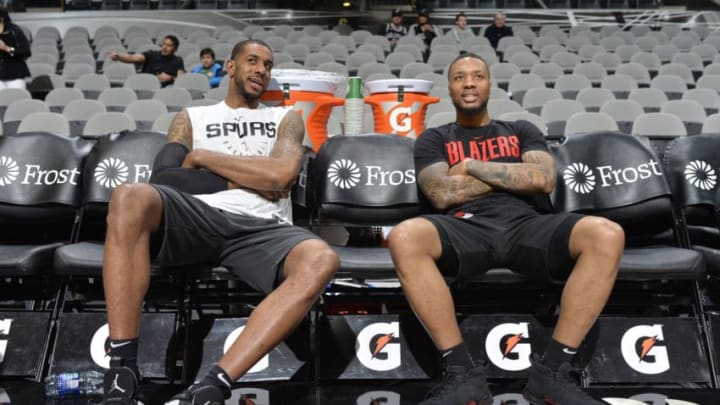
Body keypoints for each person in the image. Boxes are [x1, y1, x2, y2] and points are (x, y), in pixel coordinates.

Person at [100, 39, 339, 405]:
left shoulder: (285, 119)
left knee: (322, 259)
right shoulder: (191, 118)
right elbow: (165, 178)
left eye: (268, 65)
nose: (261, 70)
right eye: (253, 61)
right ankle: (121, 373)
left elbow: (280, 176)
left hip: (263, 228)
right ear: (230, 66)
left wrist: (201, 157)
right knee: (130, 196)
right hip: (199, 217)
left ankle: (213, 386)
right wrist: (240, 178)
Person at [387, 53, 623, 405]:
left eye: (477, 75)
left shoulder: (521, 130)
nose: (469, 82)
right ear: (449, 88)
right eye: (460, 77)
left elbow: (542, 179)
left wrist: (470, 166)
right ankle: (463, 376)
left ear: (489, 84)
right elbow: (441, 193)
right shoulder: (433, 139)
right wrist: (511, 177)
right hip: (465, 227)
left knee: (607, 233)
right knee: (404, 236)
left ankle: (552, 374)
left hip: (528, 225)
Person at [109, 35, 185, 87]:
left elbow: (181, 80)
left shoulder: (178, 61)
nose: (165, 47)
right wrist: (119, 57)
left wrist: (170, 78)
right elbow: (133, 58)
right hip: (145, 86)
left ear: (175, 49)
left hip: (165, 89)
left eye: (169, 45)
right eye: (164, 44)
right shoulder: (151, 54)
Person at [0, 6, 30, 89]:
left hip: (15, 74)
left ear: (1, 18)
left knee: (17, 98)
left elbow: (26, 51)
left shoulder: (14, 30)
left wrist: (7, 48)